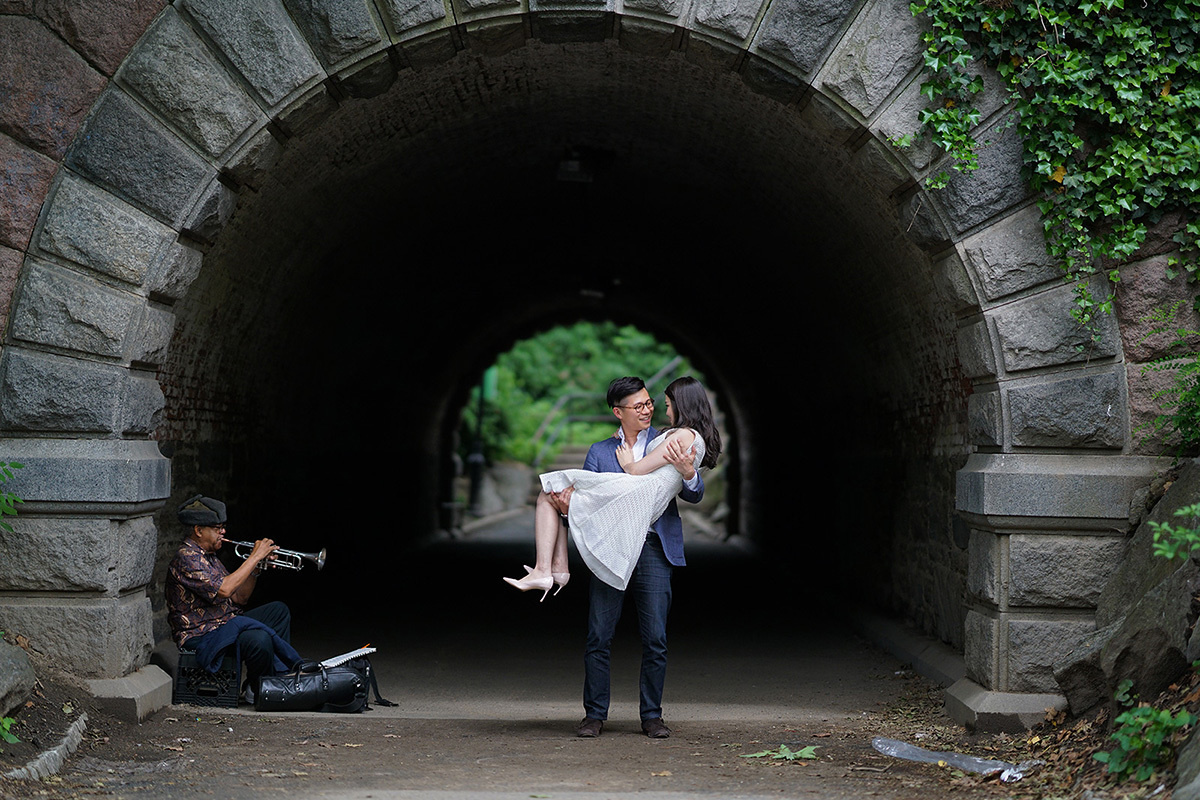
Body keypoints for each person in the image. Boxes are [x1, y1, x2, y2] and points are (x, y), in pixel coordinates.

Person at [504, 376, 721, 739]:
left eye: (651, 403)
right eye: (639, 406)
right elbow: (586, 505)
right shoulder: (600, 452)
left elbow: (693, 494)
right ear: (618, 412)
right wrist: (568, 507)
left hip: (653, 547)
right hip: (612, 547)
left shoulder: (669, 438)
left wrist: (690, 474)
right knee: (598, 635)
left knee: (655, 638)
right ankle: (594, 715)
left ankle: (652, 716)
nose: (649, 409)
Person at [166, 495, 302, 703]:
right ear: (199, 530)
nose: (223, 532)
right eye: (217, 528)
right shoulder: (186, 558)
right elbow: (224, 590)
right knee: (258, 639)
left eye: (223, 527)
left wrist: (256, 567)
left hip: (225, 624)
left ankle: (269, 681)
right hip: (201, 634)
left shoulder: (209, 556)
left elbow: (240, 597)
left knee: (278, 611)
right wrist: (254, 556)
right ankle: (260, 689)